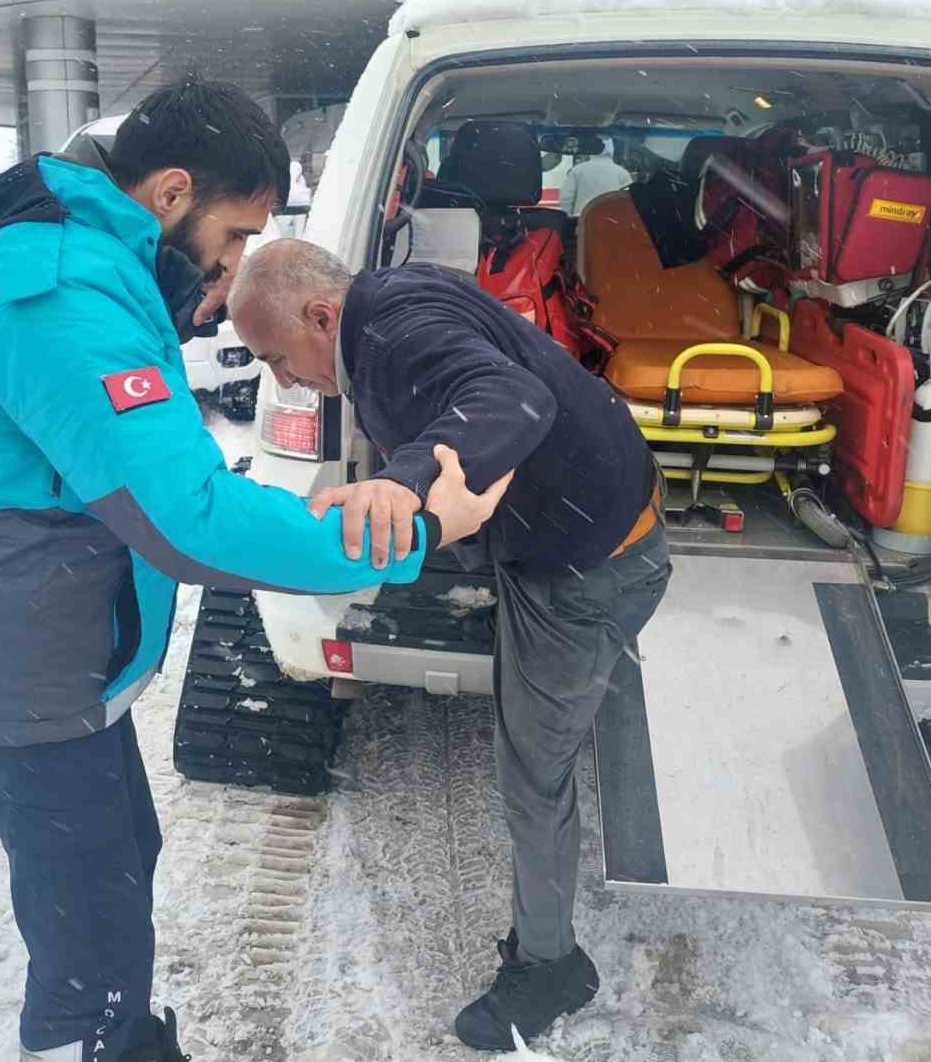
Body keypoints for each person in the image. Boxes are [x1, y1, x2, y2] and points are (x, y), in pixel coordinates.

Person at [0, 79, 508, 1062]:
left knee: (117, 864)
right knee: (86, 935)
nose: (229, 274)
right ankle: (103, 1044)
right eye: (233, 238)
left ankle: (123, 1034)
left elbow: (133, 471)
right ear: (171, 191)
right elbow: (184, 519)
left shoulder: (93, 266)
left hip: (48, 640)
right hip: (17, 667)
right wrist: (411, 530)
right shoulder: (56, 289)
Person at [228, 239, 672, 1053]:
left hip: (587, 574)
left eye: (278, 358)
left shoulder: (391, 338)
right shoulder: (391, 298)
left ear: (322, 315)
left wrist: (400, 483)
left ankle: (551, 965)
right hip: (588, 520)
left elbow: (508, 393)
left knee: (532, 777)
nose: (282, 380)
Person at [558, 135, 632, 219]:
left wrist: (570, 219)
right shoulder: (622, 172)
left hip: (582, 222)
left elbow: (566, 199)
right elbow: (628, 201)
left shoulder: (577, 170)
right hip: (612, 223)